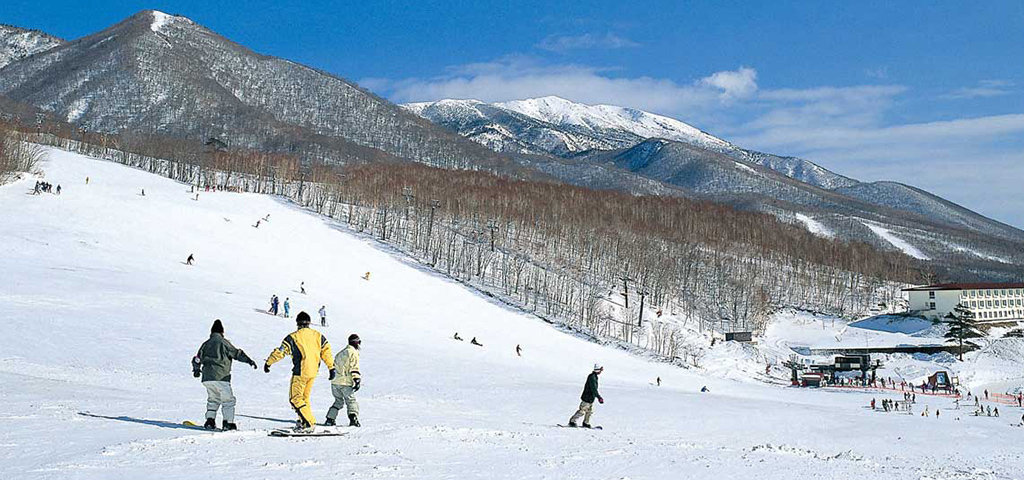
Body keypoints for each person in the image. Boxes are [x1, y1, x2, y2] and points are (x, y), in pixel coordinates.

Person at [264, 311, 335, 431]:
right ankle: (305, 420)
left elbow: (281, 351)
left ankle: (308, 423)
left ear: (297, 323)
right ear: (309, 322)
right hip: (313, 372)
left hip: (300, 372)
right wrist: (331, 367)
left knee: (295, 399)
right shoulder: (318, 335)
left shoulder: (293, 337)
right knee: (304, 398)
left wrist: (269, 362)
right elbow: (326, 352)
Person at [191, 319, 257, 430]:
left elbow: (197, 359)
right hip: (221, 376)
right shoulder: (223, 342)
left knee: (213, 399)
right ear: (222, 331)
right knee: (228, 400)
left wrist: (196, 370)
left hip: (207, 378)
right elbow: (236, 353)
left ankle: (210, 421)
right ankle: (228, 423)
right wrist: (249, 360)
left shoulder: (205, 344)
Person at [325, 334, 362, 427]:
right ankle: (353, 419)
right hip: (345, 383)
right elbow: (354, 368)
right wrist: (357, 379)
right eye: (359, 342)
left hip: (335, 382)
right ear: (356, 342)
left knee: (338, 401)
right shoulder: (353, 353)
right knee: (351, 401)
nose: (359, 345)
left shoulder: (340, 353)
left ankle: (330, 419)